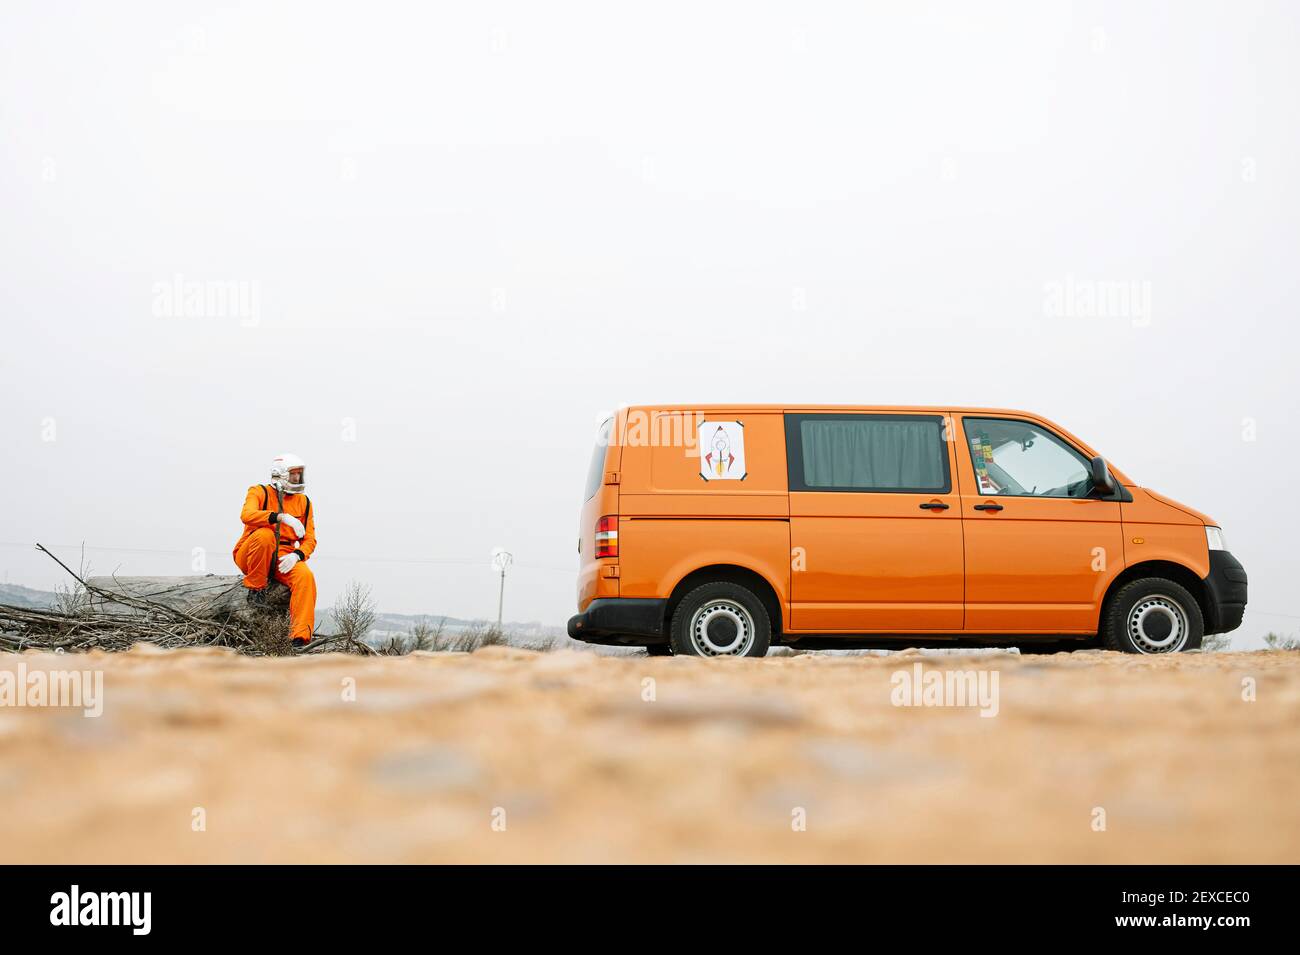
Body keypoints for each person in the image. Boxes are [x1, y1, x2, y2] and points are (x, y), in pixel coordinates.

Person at [232, 453, 317, 647]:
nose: (297, 478)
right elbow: (246, 515)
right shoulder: (258, 491)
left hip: (284, 556)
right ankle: (256, 588)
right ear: (280, 474)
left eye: (299, 474)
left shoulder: (305, 502)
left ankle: (299, 638)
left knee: (305, 576)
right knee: (265, 535)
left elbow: (310, 539)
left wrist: (297, 555)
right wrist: (280, 517)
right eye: (293, 474)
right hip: (252, 552)